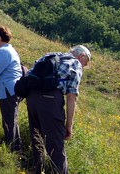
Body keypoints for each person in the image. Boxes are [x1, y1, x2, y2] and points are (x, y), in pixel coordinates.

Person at [26, 45, 91, 174]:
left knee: (37, 139)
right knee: (56, 145)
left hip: (31, 98)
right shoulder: (75, 63)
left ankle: (38, 170)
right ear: (82, 56)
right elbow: (71, 97)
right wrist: (69, 126)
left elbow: (29, 74)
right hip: (50, 100)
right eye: (86, 63)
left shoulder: (51, 55)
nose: (84, 66)